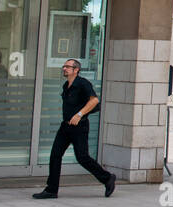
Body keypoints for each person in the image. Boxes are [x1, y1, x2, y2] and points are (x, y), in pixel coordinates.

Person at [33, 59, 115, 198]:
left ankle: (107, 178)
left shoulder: (82, 83)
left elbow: (94, 100)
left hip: (79, 126)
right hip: (65, 126)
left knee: (82, 157)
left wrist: (79, 114)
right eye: (64, 66)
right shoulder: (67, 85)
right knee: (55, 155)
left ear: (76, 69)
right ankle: (51, 190)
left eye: (68, 67)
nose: (64, 68)